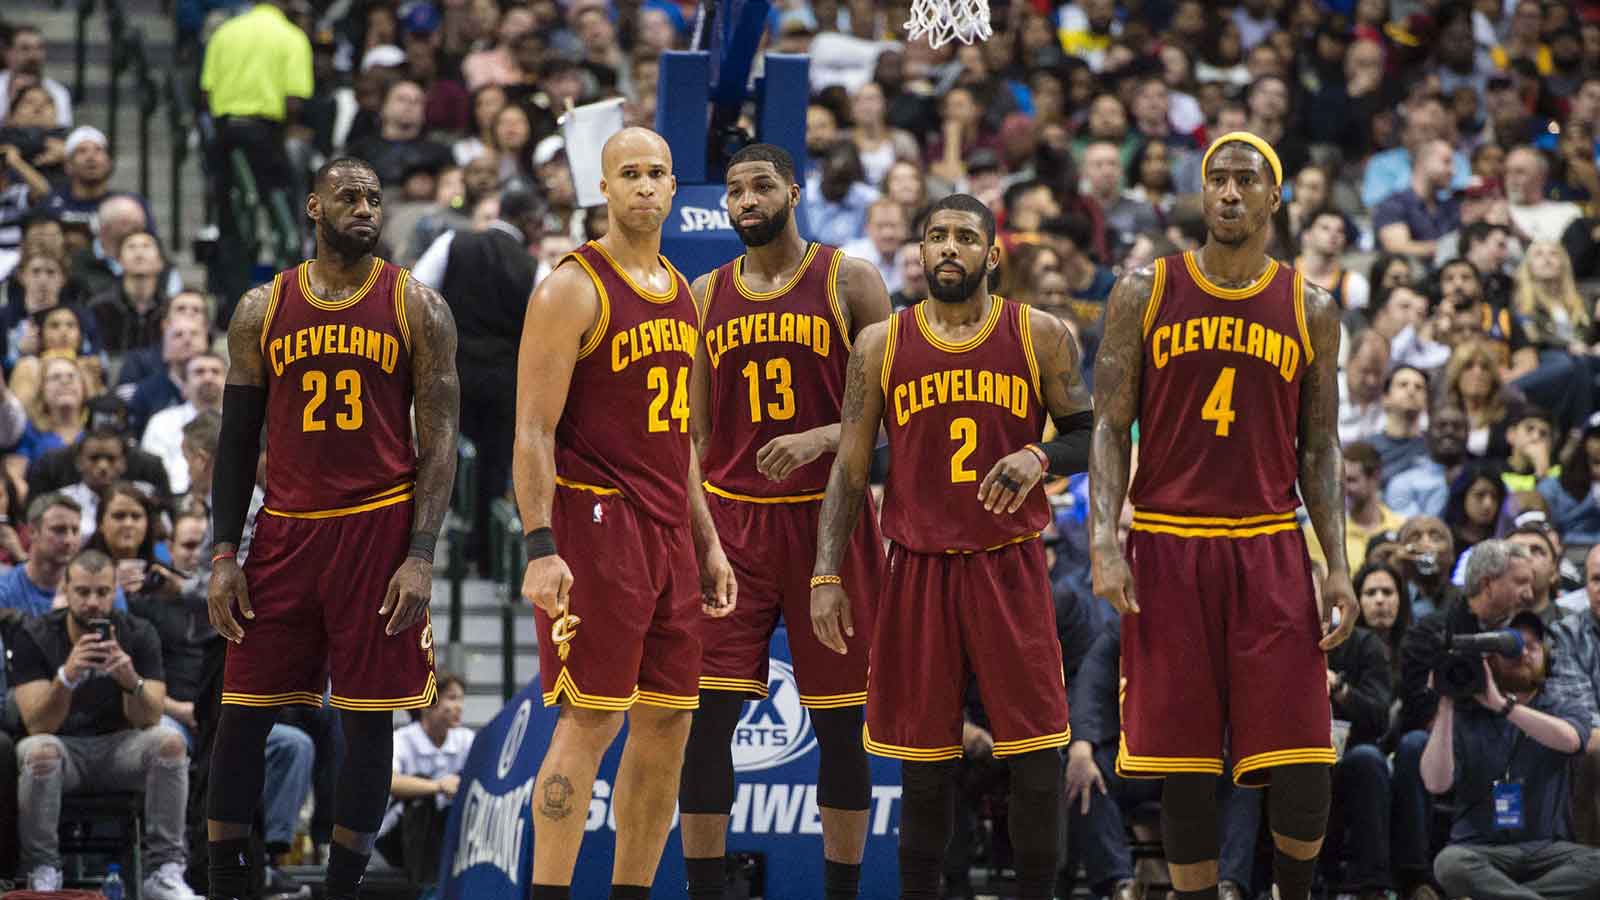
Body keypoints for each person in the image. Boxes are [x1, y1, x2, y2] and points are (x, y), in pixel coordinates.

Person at [1089, 132, 1353, 900]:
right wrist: (1104, 538)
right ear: (1201, 195)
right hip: (1170, 542)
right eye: (1217, 179)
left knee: (1304, 758)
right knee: (1185, 766)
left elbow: (1322, 448)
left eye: (1247, 180)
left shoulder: (1312, 307)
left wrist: (1336, 563)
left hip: (1269, 543)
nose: (1230, 192)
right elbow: (1108, 425)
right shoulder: (1142, 289)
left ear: (1277, 198)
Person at [810, 192, 1094, 899]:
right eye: (936, 236)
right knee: (923, 763)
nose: (948, 248)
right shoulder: (880, 344)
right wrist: (825, 571)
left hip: (1010, 566)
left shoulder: (1042, 334)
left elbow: (1092, 435)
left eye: (965, 237)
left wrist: (1042, 456)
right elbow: (851, 468)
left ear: (992, 255)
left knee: (1036, 756)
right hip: (919, 569)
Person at [203, 155, 460, 900]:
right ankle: (227, 882)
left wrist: (421, 553)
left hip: (378, 532)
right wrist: (226, 553)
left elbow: (439, 440)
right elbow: (237, 442)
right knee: (243, 714)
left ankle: (341, 889)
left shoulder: (418, 307)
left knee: (369, 721)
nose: (366, 208)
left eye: (375, 198)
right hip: (284, 530)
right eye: (348, 196)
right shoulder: (262, 308)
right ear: (313, 206)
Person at [512, 127, 735, 900]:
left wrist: (707, 541)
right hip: (596, 526)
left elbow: (683, 440)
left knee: (669, 726)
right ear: (603, 188)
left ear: (675, 188)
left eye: (657, 173)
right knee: (591, 721)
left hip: (671, 531)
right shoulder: (572, 286)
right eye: (629, 173)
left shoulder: (681, 289)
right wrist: (540, 545)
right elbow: (532, 431)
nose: (645, 185)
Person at [677, 144, 892, 900]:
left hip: (828, 522)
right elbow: (695, 437)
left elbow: (897, 417)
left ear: (794, 191)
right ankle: (705, 888)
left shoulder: (850, 280)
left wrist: (824, 437)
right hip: (734, 526)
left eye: (760, 185)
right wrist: (700, 534)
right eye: (734, 190)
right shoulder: (704, 294)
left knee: (839, 723)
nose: (745, 200)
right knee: (706, 720)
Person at [11, 548, 198, 898]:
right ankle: (43, 869)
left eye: (102, 592)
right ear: (66, 591)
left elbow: (150, 717)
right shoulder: (35, 634)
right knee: (38, 751)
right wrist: (66, 677)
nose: (93, 603)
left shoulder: (139, 633)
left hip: (119, 747)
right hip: (63, 749)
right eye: (83, 592)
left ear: (115, 592)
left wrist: (130, 680)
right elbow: (37, 724)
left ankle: (164, 871)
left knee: (170, 742)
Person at [1423, 603, 1600, 899]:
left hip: (1545, 849)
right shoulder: (1464, 714)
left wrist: (1503, 706)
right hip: (1479, 850)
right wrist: (1446, 702)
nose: (1523, 653)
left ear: (1548, 656)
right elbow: (1435, 782)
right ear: (1489, 658)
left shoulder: (1560, 705)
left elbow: (1570, 740)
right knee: (1449, 864)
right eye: (1511, 646)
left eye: (1533, 646)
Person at [411, 183, 538, 576]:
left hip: (453, 372)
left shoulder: (454, 242)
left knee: (442, 457)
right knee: (494, 465)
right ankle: (485, 556)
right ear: (529, 222)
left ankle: (434, 546)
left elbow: (417, 291)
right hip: (506, 380)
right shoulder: (534, 268)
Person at [377, 670, 473, 884]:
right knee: (422, 800)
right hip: (397, 837)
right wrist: (438, 786)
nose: (459, 706)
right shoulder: (402, 739)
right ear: (426, 703)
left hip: (444, 832)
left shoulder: (466, 740)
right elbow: (389, 782)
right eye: (452, 698)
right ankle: (425, 888)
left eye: (461, 699)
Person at [140, 352, 226, 495]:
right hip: (173, 501)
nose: (208, 378)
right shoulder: (161, 422)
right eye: (199, 372)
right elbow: (153, 476)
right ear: (184, 386)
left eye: (215, 372)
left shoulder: (245, 424)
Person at [0, 492, 87, 615]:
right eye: (59, 530)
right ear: (32, 532)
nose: (69, 540)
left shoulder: (99, 590)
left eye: (75, 530)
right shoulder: (4, 590)